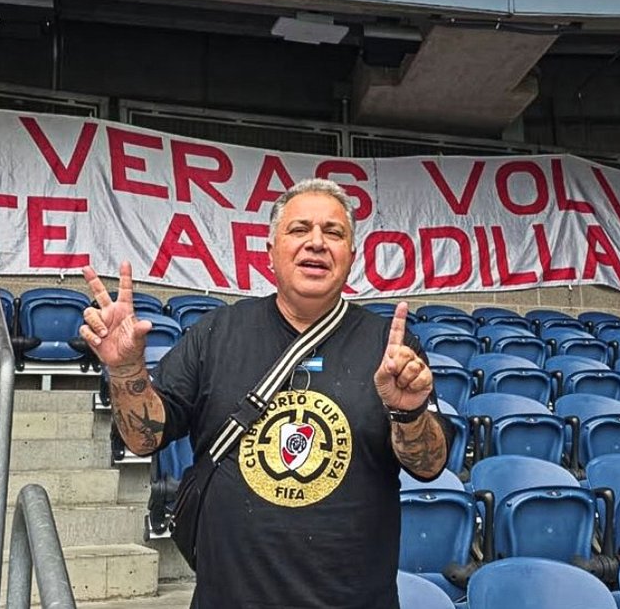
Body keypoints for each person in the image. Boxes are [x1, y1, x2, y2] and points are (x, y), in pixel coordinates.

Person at [80, 178, 452, 609]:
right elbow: (143, 438)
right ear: (270, 250)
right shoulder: (216, 334)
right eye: (299, 229)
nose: (317, 242)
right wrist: (126, 369)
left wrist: (408, 413)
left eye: (333, 232)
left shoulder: (389, 346)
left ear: (352, 256)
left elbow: (429, 466)